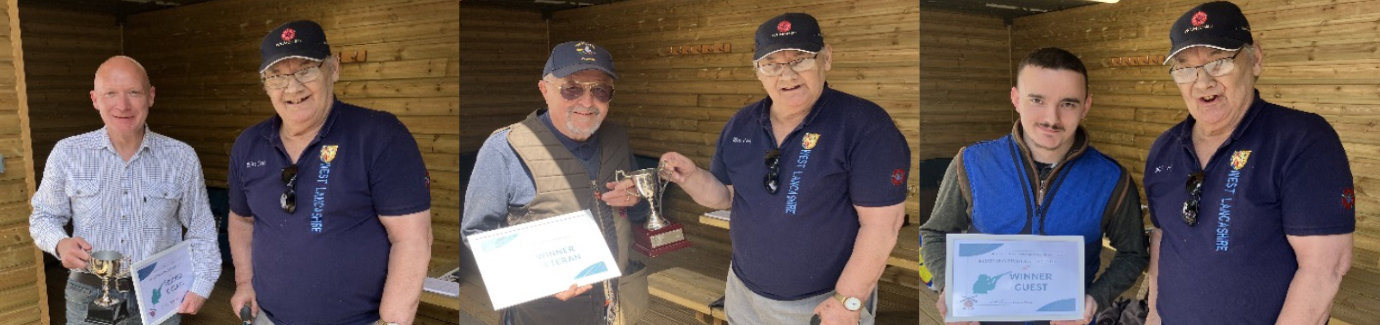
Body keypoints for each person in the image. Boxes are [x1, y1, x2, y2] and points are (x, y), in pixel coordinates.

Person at [658, 12, 910, 325]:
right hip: (743, 290)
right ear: (758, 71)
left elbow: (883, 226)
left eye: (800, 60)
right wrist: (692, 176)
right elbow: (725, 196)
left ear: (826, 59)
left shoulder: (865, 126)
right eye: (772, 65)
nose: (787, 76)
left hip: (822, 303)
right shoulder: (741, 123)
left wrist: (848, 301)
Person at [1145, 2, 1354, 324]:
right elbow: (1164, 240)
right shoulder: (1164, 148)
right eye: (1185, 69)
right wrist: (1153, 318)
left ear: (1255, 59)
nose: (1202, 83)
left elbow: (1325, 268)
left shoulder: (1302, 140)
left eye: (1219, 63)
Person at [918, 48, 1149, 325]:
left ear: (1086, 106)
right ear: (1016, 98)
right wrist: (949, 285)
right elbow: (934, 233)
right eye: (1037, 100)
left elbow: (1133, 254)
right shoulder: (971, 163)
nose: (1052, 118)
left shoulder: (1112, 179)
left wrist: (1095, 298)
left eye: (1068, 104)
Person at [225, 20, 433, 325]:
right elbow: (242, 220)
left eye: (306, 70)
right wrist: (244, 282)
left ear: (333, 69)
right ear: (264, 84)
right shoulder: (248, 145)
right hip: (267, 319)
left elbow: (413, 239)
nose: (292, 88)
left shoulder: (379, 135)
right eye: (277, 77)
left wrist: (393, 321)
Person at [460, 40, 650, 325]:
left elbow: (639, 212)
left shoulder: (617, 138)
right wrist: (538, 279)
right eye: (571, 88)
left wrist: (637, 197)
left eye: (600, 90)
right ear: (544, 89)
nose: (587, 102)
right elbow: (476, 233)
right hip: (545, 313)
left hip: (619, 305)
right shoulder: (505, 148)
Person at [29, 55, 222, 324]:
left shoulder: (181, 157)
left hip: (160, 295)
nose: (123, 105)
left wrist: (201, 283)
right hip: (88, 292)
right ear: (95, 99)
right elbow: (43, 216)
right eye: (110, 94)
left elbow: (201, 228)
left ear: (150, 96)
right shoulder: (67, 153)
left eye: (134, 92)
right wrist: (60, 244)